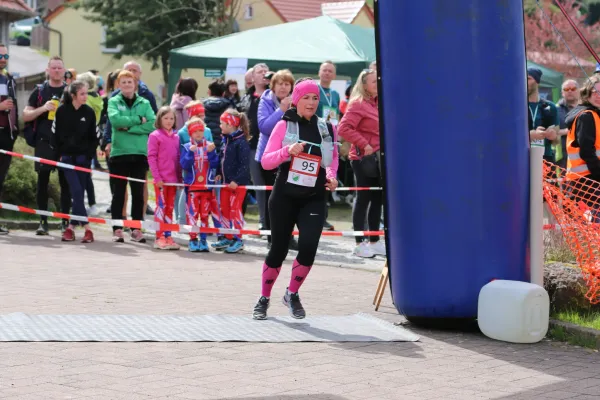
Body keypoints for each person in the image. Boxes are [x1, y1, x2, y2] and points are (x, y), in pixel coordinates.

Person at [252, 78, 339, 320]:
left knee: (309, 247)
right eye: (306, 98)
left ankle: (292, 293)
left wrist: (332, 178)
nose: (311, 103)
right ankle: (264, 297)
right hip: (284, 197)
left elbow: (332, 162)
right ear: (297, 100)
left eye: (315, 98)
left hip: (314, 196)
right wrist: (286, 152)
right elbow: (266, 161)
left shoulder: (326, 128)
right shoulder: (284, 125)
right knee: (278, 250)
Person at [105, 70, 156, 243]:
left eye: (130, 82)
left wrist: (131, 128)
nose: (127, 85)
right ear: (118, 85)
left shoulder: (145, 102)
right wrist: (138, 120)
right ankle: (117, 228)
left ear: (136, 84)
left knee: (138, 194)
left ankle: (136, 228)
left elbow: (152, 124)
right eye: (123, 82)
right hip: (119, 153)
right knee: (118, 193)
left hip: (139, 154)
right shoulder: (113, 101)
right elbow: (116, 121)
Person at [338, 69, 384, 258]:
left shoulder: (378, 103)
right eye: (373, 81)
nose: (377, 84)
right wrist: (363, 143)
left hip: (378, 159)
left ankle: (374, 241)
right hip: (362, 158)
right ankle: (359, 243)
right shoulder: (357, 104)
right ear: (364, 85)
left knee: (377, 199)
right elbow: (343, 128)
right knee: (363, 198)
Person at [22, 56, 70, 236]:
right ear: (48, 70)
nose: (57, 71)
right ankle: (43, 222)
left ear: (64, 71)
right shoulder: (40, 90)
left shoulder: (70, 91)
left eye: (60, 68)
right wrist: (43, 108)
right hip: (44, 142)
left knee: (67, 183)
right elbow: (25, 116)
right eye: (54, 68)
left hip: (65, 144)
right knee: (42, 182)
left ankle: (65, 223)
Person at [256, 69, 298, 249]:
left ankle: (288, 237)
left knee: (290, 199)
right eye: (280, 83)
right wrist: (281, 110)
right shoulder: (265, 101)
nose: (283, 87)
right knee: (271, 200)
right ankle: (272, 237)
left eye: (287, 83)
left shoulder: (297, 102)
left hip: (290, 157)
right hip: (269, 158)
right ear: (273, 85)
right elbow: (264, 127)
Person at [53, 80, 98, 243]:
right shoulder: (62, 111)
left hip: (83, 160)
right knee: (77, 192)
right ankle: (87, 229)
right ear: (73, 96)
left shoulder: (89, 112)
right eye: (82, 94)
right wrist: (58, 154)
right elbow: (56, 135)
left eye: (86, 93)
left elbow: (94, 137)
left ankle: (70, 228)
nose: (86, 96)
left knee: (79, 193)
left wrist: (89, 156)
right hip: (66, 159)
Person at [211, 109, 251, 254]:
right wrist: (218, 173)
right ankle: (227, 237)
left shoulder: (241, 142)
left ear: (230, 124)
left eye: (222, 123)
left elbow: (244, 165)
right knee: (225, 210)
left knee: (235, 211)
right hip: (225, 183)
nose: (220, 126)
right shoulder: (225, 140)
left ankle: (238, 239)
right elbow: (222, 159)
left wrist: (236, 180)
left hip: (237, 185)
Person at [180, 118, 220, 252]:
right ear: (190, 133)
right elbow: (184, 165)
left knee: (204, 215)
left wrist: (212, 153)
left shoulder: (210, 145)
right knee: (192, 214)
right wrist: (190, 153)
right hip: (193, 188)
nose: (198, 133)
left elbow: (215, 165)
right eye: (195, 131)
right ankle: (192, 240)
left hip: (207, 188)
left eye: (200, 131)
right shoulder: (186, 146)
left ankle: (203, 240)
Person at [239, 63, 270, 230]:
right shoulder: (246, 98)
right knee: (259, 186)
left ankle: (271, 221)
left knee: (272, 185)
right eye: (260, 71)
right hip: (251, 147)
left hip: (271, 147)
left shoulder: (273, 95)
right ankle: (264, 221)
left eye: (266, 71)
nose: (264, 73)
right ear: (253, 77)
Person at [565, 76, 600, 218]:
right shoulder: (586, 115)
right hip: (588, 179)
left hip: (586, 178)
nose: (598, 96)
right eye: (595, 91)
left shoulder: (593, 114)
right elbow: (586, 151)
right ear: (587, 93)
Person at [148, 106, 182, 250]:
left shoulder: (177, 137)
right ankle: (159, 236)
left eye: (171, 118)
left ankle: (168, 235)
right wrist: (157, 177)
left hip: (173, 181)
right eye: (165, 118)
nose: (169, 121)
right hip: (161, 180)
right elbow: (151, 157)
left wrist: (179, 179)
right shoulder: (154, 136)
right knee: (161, 208)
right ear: (159, 119)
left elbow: (178, 158)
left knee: (169, 208)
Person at [0, 44, 19, 235]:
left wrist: (15, 130)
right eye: (0, 55)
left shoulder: (9, 79)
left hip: (6, 135)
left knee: (0, 179)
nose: (3, 58)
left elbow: (15, 106)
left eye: (6, 55)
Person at [527, 67, 559, 162]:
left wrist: (553, 136)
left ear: (537, 81)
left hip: (545, 158)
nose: (524, 81)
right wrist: (530, 135)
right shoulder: (517, 107)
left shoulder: (550, 106)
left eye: (528, 78)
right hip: (522, 157)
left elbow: (556, 141)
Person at [203, 80, 232, 152]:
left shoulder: (201, 106)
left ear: (209, 92)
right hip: (223, 144)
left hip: (205, 144)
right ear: (223, 93)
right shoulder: (228, 106)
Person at [557, 79, 580, 170]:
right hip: (563, 157)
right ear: (562, 93)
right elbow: (550, 132)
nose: (570, 91)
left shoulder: (587, 108)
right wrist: (567, 131)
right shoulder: (555, 109)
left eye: (573, 89)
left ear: (579, 91)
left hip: (584, 154)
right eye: (566, 89)